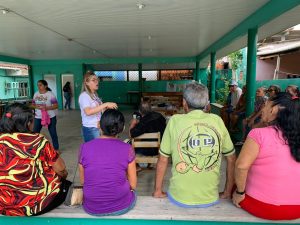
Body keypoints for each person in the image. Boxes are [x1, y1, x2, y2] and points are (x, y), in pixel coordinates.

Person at [153, 82, 236, 207]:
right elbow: (231, 158)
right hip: (211, 198)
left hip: (179, 197)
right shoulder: (217, 121)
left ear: (184, 103)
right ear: (207, 103)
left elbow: (163, 159)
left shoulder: (174, 121)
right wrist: (227, 192)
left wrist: (157, 191)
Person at [233, 93, 300, 220]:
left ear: (273, 109)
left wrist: (239, 193)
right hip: (298, 209)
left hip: (267, 208)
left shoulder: (258, 134)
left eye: (265, 105)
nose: (262, 109)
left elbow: (241, 166)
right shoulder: (295, 135)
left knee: (235, 185)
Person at [0, 103, 70, 216]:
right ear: (27, 123)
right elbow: (60, 168)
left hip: (3, 204)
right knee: (65, 184)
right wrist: (63, 176)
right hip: (34, 204)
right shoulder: (37, 140)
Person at [79, 109, 137, 216]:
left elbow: (83, 182)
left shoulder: (85, 147)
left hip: (92, 207)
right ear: (122, 128)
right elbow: (133, 185)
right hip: (120, 206)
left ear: (98, 125)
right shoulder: (127, 148)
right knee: (133, 192)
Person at [79, 71, 117, 142]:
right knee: (93, 151)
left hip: (98, 127)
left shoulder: (95, 95)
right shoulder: (84, 96)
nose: (97, 82)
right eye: (93, 80)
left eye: (97, 80)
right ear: (86, 83)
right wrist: (105, 104)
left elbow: (100, 109)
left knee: (98, 150)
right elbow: (88, 112)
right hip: (90, 128)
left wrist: (106, 108)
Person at [32, 80, 59, 151]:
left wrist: (46, 108)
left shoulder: (50, 94)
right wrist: (36, 106)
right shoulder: (36, 94)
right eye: (38, 85)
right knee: (35, 133)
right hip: (38, 117)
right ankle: (34, 149)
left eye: (40, 85)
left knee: (53, 133)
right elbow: (33, 104)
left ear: (45, 86)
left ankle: (56, 148)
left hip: (50, 117)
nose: (38, 86)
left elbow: (56, 106)